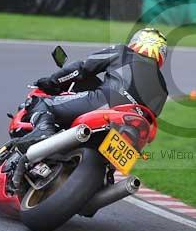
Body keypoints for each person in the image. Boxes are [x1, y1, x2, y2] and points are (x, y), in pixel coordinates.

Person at [12, 27, 169, 152]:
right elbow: (150, 119)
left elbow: (82, 69)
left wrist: (52, 81)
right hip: (132, 129)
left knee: (40, 102)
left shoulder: (123, 52)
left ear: (137, 42)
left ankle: (43, 131)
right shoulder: (163, 90)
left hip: (105, 104)